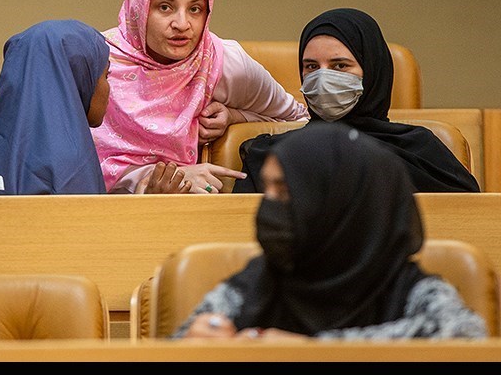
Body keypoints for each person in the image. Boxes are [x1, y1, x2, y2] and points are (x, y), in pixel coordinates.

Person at [173, 123, 488, 340]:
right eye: (267, 190)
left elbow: (465, 338)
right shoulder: (257, 281)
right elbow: (180, 344)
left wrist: (308, 351)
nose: (268, 206)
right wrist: (197, 343)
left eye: (284, 191)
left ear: (339, 202)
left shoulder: (409, 290)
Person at [91, 0, 309, 194]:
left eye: (195, 9)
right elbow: (69, 161)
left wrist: (235, 117)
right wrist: (147, 178)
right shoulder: (97, 59)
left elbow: (298, 120)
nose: (182, 24)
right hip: (94, 208)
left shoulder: (221, 62)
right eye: (165, 7)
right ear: (138, 6)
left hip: (190, 209)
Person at [234, 7, 480, 193]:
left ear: (372, 71)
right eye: (311, 67)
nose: (322, 78)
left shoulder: (420, 152)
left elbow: (467, 221)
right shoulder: (270, 155)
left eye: (340, 66)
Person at [0, 19, 191, 195]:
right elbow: (94, 239)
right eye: (105, 75)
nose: (109, 89)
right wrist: (150, 207)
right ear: (78, 81)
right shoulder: (71, 172)